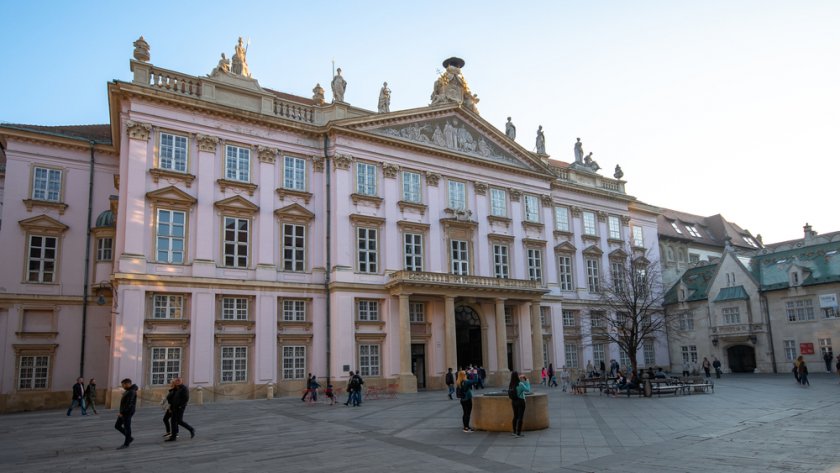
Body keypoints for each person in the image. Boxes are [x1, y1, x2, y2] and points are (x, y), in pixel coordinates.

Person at [115, 378, 137, 450]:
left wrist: (122, 413)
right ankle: (129, 438)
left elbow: (129, 404)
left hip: (127, 412)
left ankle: (126, 443)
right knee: (117, 425)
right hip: (124, 412)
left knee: (127, 427)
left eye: (123, 385)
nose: (122, 386)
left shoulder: (131, 392)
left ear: (128, 384)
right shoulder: (128, 391)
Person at [509, 371, 531, 438]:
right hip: (520, 401)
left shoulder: (511, 384)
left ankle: (514, 431)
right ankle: (518, 433)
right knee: (520, 417)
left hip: (514, 401)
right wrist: (526, 380)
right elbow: (528, 389)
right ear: (517, 376)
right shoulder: (520, 384)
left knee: (515, 416)